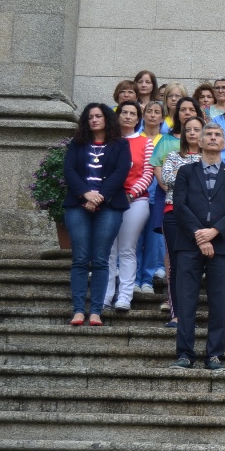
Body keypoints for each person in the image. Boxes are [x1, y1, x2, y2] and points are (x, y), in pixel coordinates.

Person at [169, 122, 225, 371]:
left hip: (222, 244)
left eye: (218, 135)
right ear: (199, 142)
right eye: (208, 135)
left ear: (224, 144)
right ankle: (185, 354)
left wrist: (213, 233)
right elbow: (179, 206)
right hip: (188, 244)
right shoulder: (185, 172)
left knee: (218, 301)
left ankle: (214, 355)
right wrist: (199, 236)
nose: (213, 138)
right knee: (186, 300)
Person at [63, 103, 131, 327]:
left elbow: (121, 172)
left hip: (109, 206)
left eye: (98, 116)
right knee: (81, 258)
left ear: (107, 119)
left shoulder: (120, 144)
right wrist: (85, 194)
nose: (94, 120)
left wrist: (99, 196)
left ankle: (96, 312)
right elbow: (69, 170)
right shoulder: (77, 144)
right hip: (77, 205)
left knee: (101, 259)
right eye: (90, 117)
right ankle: (78, 311)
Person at [103, 100, 153, 312]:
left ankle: (125, 296)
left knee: (127, 249)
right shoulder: (108, 141)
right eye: (124, 112)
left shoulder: (146, 142)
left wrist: (131, 194)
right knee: (108, 251)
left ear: (138, 118)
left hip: (135, 201)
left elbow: (148, 173)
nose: (128, 116)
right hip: (108, 201)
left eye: (133, 113)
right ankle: (105, 296)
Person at [158, 115, 205, 325]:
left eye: (197, 129)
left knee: (194, 267)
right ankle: (177, 315)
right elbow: (167, 180)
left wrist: (184, 177)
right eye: (189, 130)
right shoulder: (173, 155)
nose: (193, 133)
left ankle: (190, 315)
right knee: (176, 266)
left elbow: (213, 184)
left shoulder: (210, 158)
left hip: (202, 218)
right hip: (174, 214)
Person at [136, 101, 166, 295]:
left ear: (163, 117)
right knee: (135, 239)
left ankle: (147, 279)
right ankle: (134, 279)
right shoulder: (135, 138)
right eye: (149, 111)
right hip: (137, 197)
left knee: (154, 239)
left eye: (157, 112)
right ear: (143, 115)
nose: (153, 115)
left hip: (159, 196)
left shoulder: (168, 141)